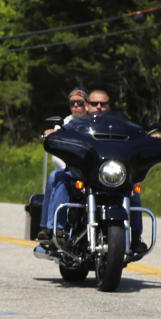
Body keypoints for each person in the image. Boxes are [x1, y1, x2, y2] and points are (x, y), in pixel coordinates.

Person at [44, 88, 148, 251]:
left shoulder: (118, 126)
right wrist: (54, 134)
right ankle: (57, 231)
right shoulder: (75, 125)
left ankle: (135, 236)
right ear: (88, 106)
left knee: (133, 190)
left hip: (109, 174)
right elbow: (62, 137)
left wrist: (150, 138)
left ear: (109, 106)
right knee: (60, 179)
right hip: (86, 173)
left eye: (103, 103)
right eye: (94, 103)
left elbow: (135, 138)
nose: (99, 106)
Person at [37, 88, 88, 240]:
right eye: (73, 103)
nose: (76, 106)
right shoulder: (64, 124)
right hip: (71, 169)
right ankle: (52, 227)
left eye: (80, 102)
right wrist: (70, 168)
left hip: (93, 170)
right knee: (56, 177)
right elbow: (56, 155)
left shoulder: (96, 123)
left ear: (87, 104)